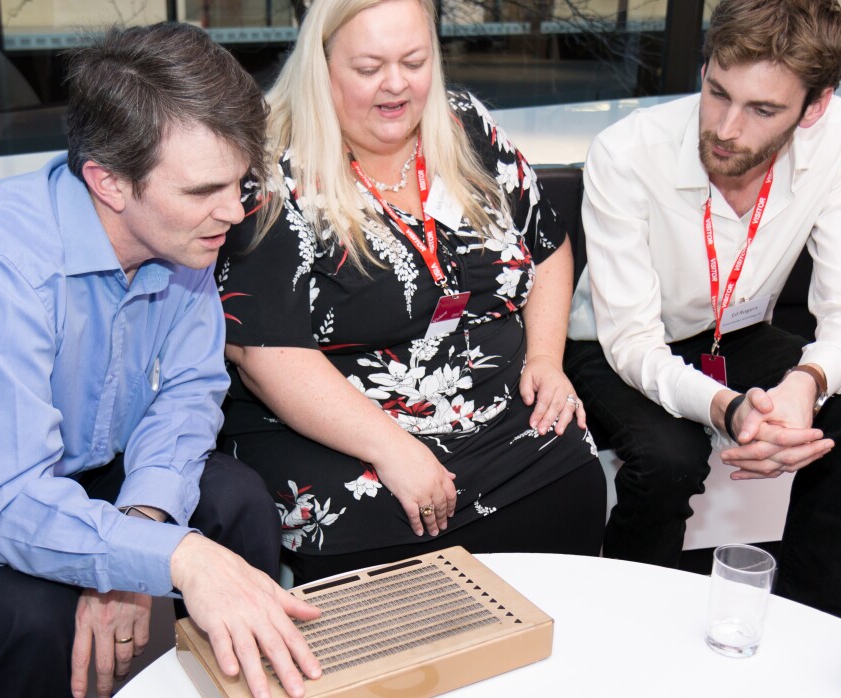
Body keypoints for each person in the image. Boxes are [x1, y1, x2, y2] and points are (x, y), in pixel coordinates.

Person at [0, 24, 319, 698]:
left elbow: (188, 394)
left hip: (81, 458)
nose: (232, 211)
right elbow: (7, 499)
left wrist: (141, 530)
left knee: (240, 504)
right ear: (108, 182)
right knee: (29, 615)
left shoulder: (182, 235)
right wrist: (171, 557)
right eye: (204, 190)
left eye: (241, 183)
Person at [216, 0, 605, 587]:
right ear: (320, 66)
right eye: (369, 68)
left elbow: (547, 245)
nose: (396, 84)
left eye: (414, 62)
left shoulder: (463, 124)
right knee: (376, 518)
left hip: (493, 408)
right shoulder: (271, 169)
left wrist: (547, 360)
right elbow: (265, 351)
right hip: (340, 430)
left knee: (570, 469)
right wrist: (392, 448)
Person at [564, 0, 841, 624]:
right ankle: (631, 626)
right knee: (668, 457)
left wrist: (805, 384)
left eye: (762, 110)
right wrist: (729, 408)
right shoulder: (627, 151)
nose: (725, 127)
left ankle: (821, 625)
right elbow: (632, 341)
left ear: (815, 107)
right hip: (613, 345)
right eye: (717, 92)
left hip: (735, 333)